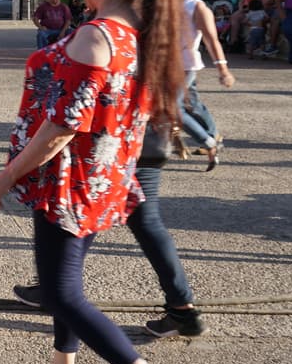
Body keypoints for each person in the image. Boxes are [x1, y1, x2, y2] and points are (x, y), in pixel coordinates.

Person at [0, 0, 197, 364]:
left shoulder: (97, 36)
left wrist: (8, 174)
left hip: (68, 182)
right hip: (100, 182)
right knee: (67, 284)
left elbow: (62, 125)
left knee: (62, 293)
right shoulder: (138, 37)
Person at [13, 121, 208, 338]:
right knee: (146, 223)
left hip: (113, 141)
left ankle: (54, 288)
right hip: (148, 140)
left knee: (83, 216)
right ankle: (183, 310)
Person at [172, 0, 236, 171]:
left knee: (172, 108)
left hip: (186, 65)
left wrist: (223, 70)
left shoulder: (197, 7)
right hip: (167, 65)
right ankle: (212, 135)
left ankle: (209, 142)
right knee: (193, 105)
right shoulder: (166, 3)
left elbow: (211, 40)